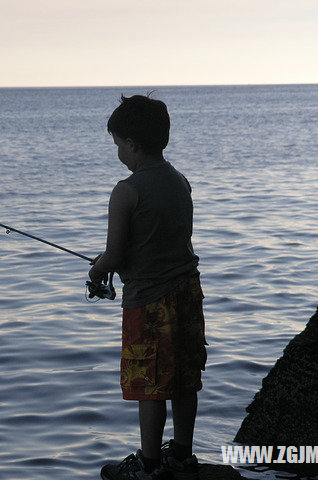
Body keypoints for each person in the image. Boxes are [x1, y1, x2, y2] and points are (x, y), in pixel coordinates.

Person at [89, 94, 207, 480]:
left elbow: (114, 255)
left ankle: (150, 464)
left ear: (132, 144)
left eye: (118, 145)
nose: (118, 153)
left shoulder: (126, 191)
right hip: (188, 294)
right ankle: (184, 454)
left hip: (148, 302)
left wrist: (97, 271)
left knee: (150, 384)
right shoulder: (180, 181)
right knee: (185, 377)